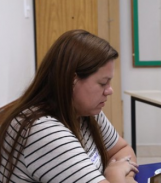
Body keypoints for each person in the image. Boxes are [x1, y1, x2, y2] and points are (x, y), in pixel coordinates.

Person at [0, 30, 139, 183]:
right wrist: (115, 174)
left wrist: (126, 175)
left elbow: (122, 150)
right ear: (72, 80)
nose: (109, 90)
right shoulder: (43, 131)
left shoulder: (86, 110)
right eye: (102, 83)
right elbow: (120, 163)